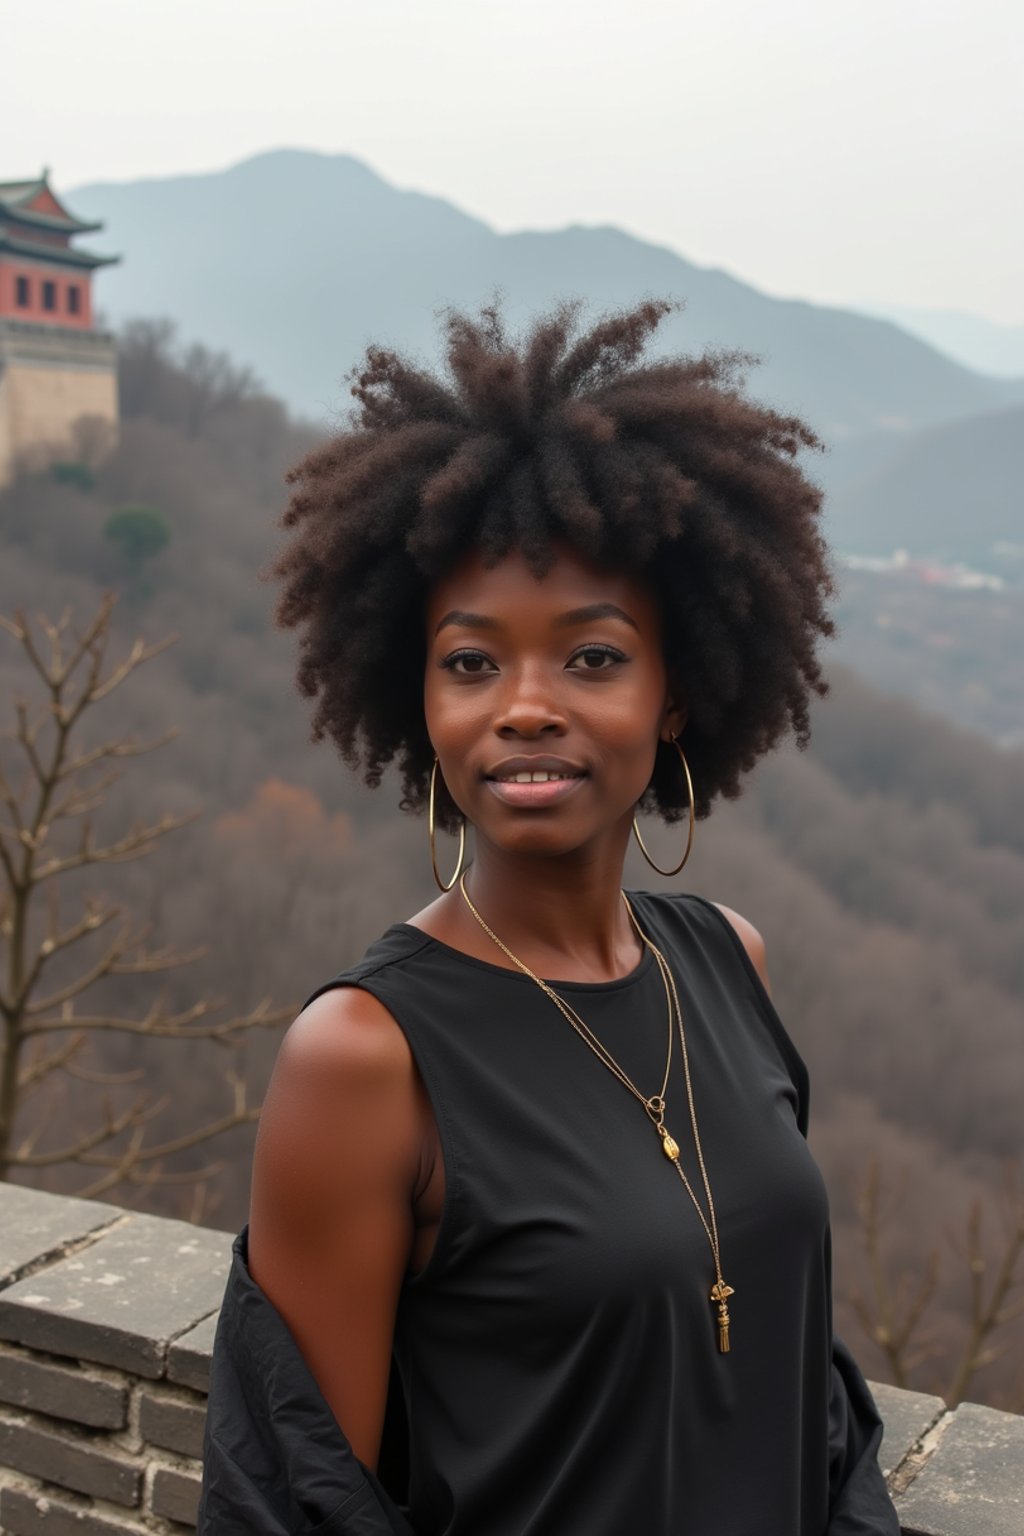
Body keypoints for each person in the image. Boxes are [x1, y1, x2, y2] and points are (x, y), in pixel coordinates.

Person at [199, 299, 900, 1535]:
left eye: (590, 657)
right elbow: (297, 1505)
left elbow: (806, 1397)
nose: (522, 706)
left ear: (674, 695)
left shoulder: (730, 964)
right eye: (470, 663)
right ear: (417, 700)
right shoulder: (366, 1059)